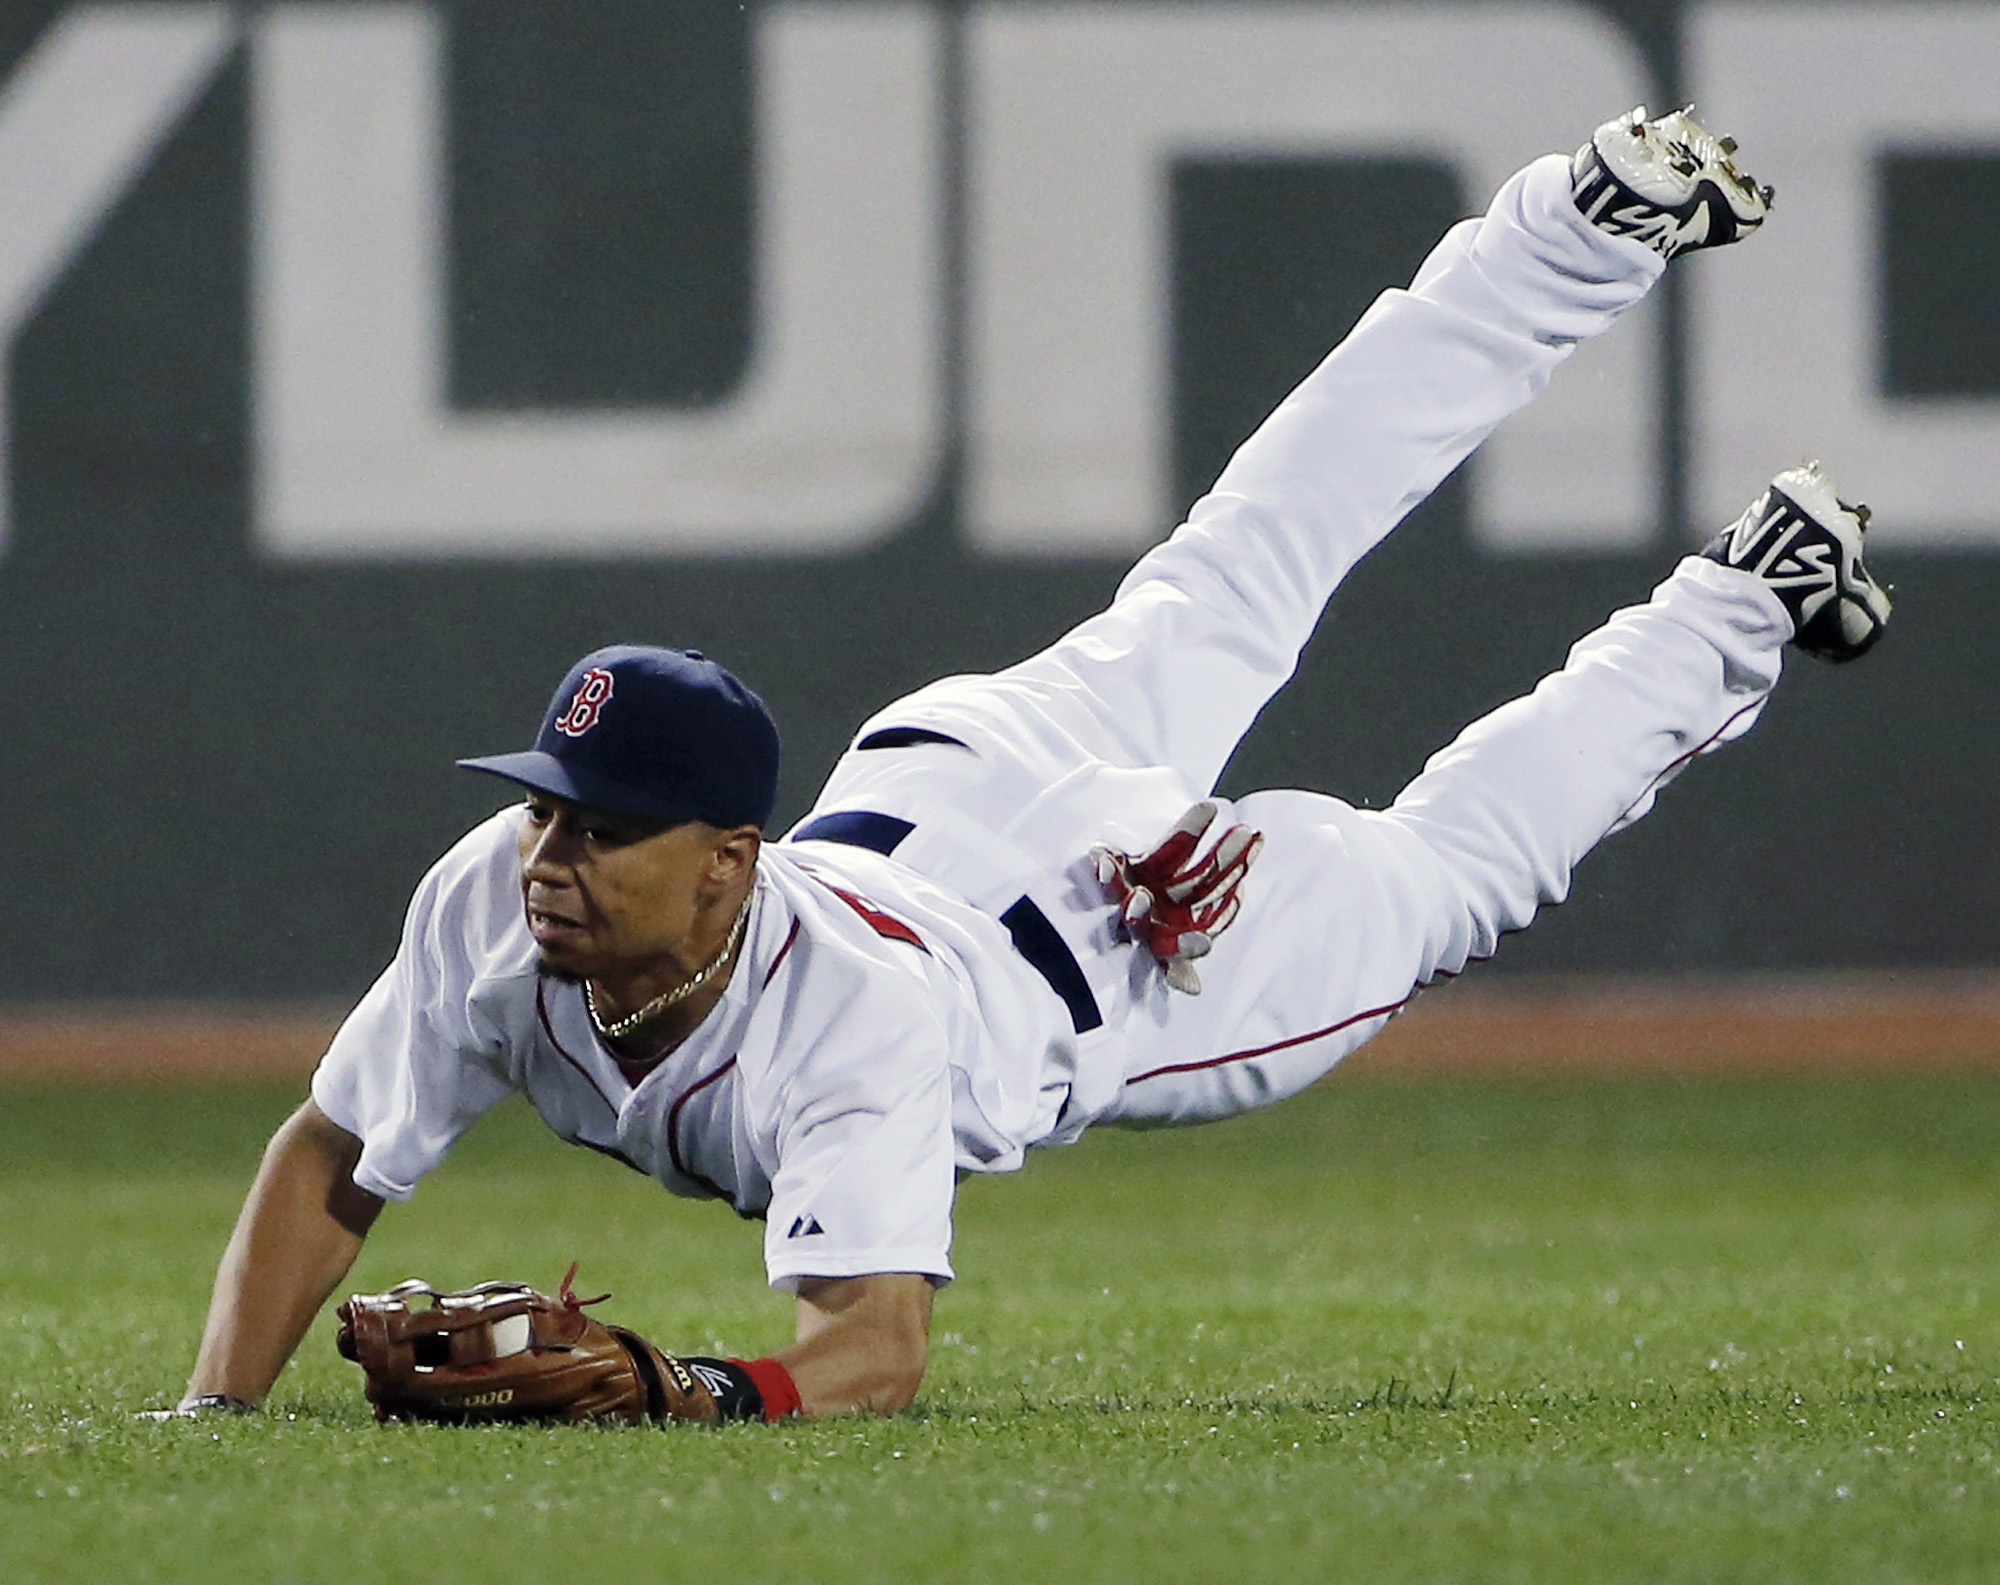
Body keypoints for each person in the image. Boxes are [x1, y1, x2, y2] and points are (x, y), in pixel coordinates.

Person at [173, 108, 1890, 1423]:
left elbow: (873, 1350)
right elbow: (335, 1151)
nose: (549, 853)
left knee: (1443, 876)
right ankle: (1574, 230)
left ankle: (1747, 587)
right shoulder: (491, 903)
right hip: (953, 784)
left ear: (722, 858)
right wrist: (211, 1417)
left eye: (604, 829)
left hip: (1139, 951)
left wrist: (676, 1385)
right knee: (1243, 557)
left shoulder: (840, 1028)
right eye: (545, 804)